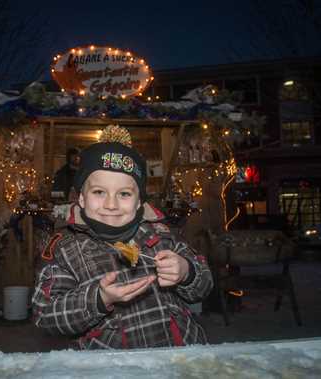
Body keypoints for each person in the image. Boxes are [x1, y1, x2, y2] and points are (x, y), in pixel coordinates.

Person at [32, 125, 213, 350]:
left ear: (139, 201)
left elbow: (204, 284)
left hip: (179, 353)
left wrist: (187, 271)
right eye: (99, 192)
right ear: (80, 198)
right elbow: (45, 316)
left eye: (124, 194)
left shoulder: (161, 234)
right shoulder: (64, 248)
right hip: (111, 366)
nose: (111, 204)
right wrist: (99, 298)